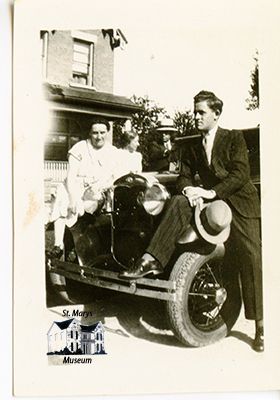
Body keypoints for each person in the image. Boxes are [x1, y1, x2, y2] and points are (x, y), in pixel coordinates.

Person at [120, 90, 263, 352]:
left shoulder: (233, 138)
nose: (195, 116)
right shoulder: (192, 144)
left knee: (251, 256)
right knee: (176, 200)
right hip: (207, 201)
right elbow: (183, 177)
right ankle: (152, 259)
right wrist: (189, 191)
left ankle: (260, 326)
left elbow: (240, 174)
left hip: (240, 203)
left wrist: (210, 192)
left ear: (216, 114)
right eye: (194, 111)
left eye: (201, 112)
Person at [47, 119, 121, 258]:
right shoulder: (80, 147)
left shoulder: (113, 152)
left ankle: (78, 243)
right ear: (89, 133)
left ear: (107, 132)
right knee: (63, 196)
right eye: (95, 133)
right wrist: (73, 199)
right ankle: (58, 244)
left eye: (102, 132)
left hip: (98, 189)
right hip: (75, 185)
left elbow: (115, 177)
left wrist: (100, 187)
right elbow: (71, 176)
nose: (99, 136)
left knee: (86, 206)